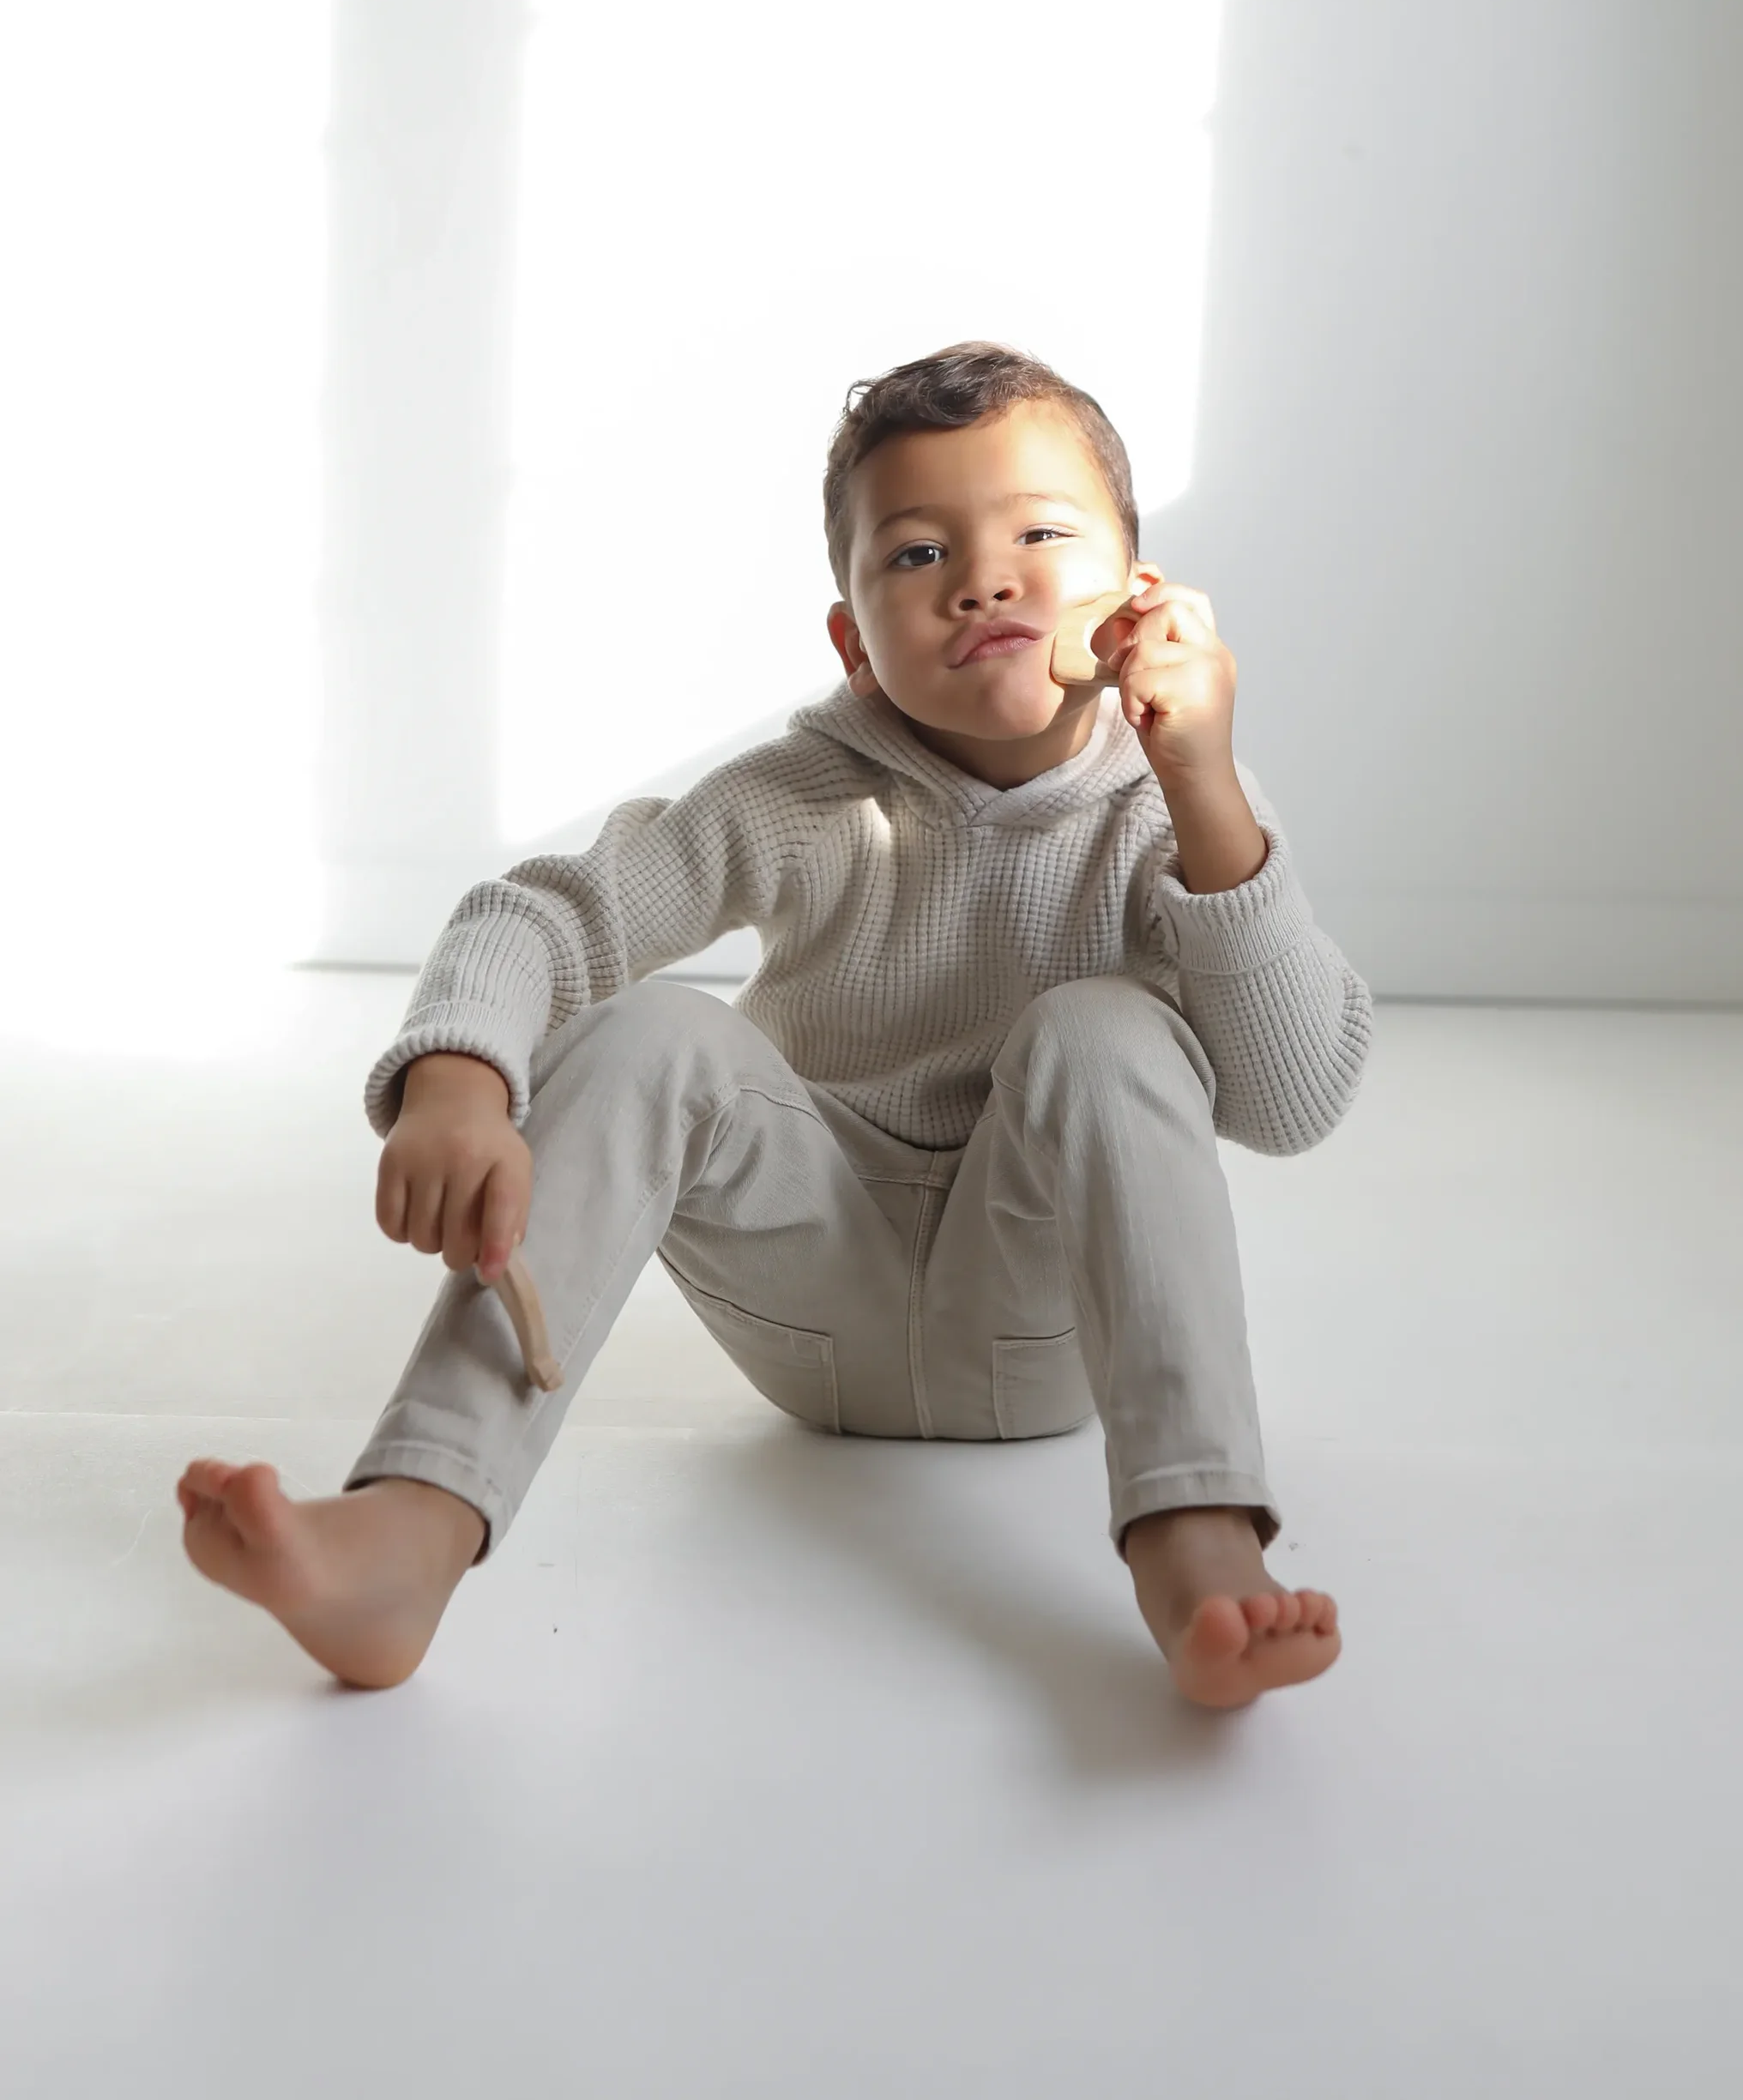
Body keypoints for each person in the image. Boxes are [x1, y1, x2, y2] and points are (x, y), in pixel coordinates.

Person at [178, 341, 1373, 1706]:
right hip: (818, 1296)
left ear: (1137, 597)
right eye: (920, 554)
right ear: (855, 644)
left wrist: (1206, 787)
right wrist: (457, 1080)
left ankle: (1196, 1539)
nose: (985, 578)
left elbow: (1293, 1100)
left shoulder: (1178, 795)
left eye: (1042, 534)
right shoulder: (803, 792)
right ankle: (411, 1526)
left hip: (1043, 1314)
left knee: (1110, 1028)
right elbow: (549, 912)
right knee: (653, 1032)